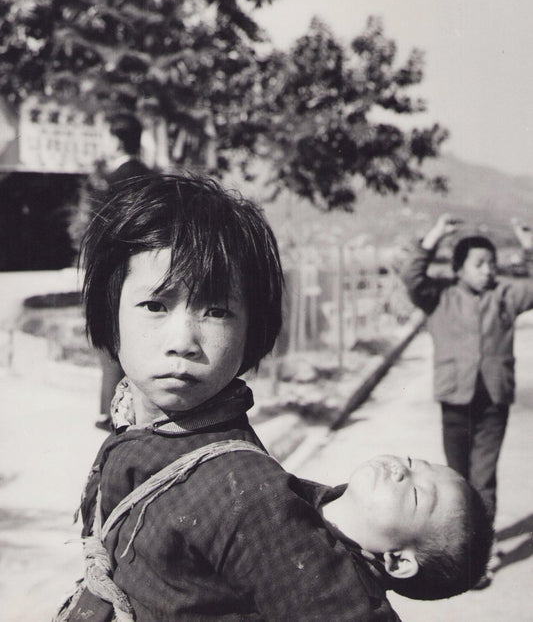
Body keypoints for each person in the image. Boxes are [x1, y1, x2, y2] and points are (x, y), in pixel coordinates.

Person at [58, 173, 400, 621]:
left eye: (216, 311)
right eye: (156, 305)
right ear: (111, 310)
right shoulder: (136, 435)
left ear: (250, 331)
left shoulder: (248, 496)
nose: (183, 340)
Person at [400, 212, 533, 587]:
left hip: (494, 398)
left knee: (484, 477)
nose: (488, 271)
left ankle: (483, 555)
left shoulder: (505, 295)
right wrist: (434, 236)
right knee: (457, 479)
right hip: (455, 400)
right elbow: (411, 277)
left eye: (491, 264)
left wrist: (529, 246)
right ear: (458, 269)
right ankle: (462, 549)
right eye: (479, 264)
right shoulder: (439, 296)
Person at [79, 111, 158, 431]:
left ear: (117, 139)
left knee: (113, 339)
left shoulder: (119, 180)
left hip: (119, 269)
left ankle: (115, 414)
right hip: (144, 269)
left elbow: (109, 231)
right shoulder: (150, 176)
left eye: (105, 135)